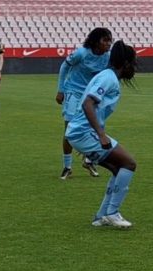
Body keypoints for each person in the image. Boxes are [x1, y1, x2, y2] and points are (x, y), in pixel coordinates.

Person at [65, 40, 140, 229]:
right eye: (133, 64)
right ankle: (112, 213)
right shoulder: (108, 78)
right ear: (125, 64)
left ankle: (101, 216)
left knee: (118, 169)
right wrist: (101, 135)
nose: (134, 69)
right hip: (84, 132)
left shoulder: (107, 76)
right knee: (129, 163)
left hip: (80, 132)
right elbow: (88, 103)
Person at [56, 27, 112, 180]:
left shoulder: (107, 57)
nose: (109, 44)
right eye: (105, 40)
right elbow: (64, 66)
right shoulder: (82, 53)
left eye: (110, 40)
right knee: (69, 129)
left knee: (96, 127)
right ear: (96, 41)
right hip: (74, 92)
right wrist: (60, 89)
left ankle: (89, 160)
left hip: (91, 96)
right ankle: (67, 167)